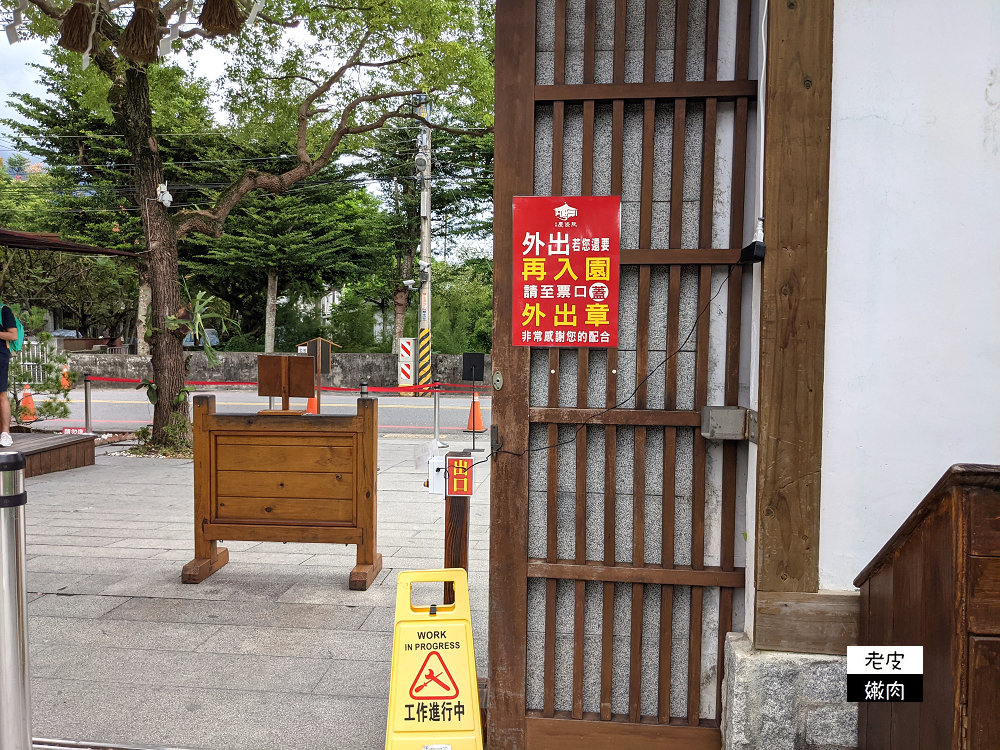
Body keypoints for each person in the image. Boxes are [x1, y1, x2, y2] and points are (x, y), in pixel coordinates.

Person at [0, 305, 19, 447]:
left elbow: (13, 335)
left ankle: (5, 433)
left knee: (1, 395)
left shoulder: (3, 310)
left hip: (0, 356)